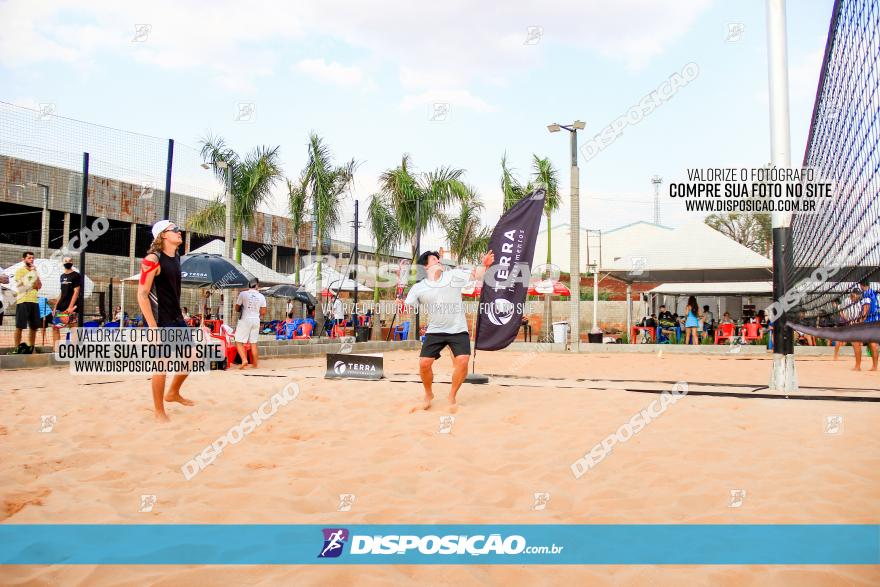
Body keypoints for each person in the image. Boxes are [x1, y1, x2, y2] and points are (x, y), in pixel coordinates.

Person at [404, 247, 493, 413]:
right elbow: (410, 306)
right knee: (424, 364)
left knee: (463, 361)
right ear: (426, 267)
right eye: (433, 260)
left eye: (438, 259)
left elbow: (477, 275)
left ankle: (452, 395)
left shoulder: (453, 275)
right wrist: (401, 305)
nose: (438, 261)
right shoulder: (419, 287)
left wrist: (484, 265)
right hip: (435, 330)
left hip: (457, 328)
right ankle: (428, 394)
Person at [137, 220, 193, 423]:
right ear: (163, 235)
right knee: (161, 365)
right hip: (159, 319)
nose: (179, 232)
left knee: (192, 357)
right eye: (175, 230)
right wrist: (152, 327)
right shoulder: (153, 259)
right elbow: (142, 294)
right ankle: (159, 411)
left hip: (176, 316)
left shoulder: (176, 257)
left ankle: (173, 393)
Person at [13, 251, 42, 354]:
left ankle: (31, 348)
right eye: (29, 258)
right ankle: (16, 348)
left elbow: (38, 286)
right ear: (23, 259)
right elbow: (21, 286)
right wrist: (30, 279)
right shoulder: (20, 271)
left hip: (34, 301)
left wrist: (35, 273)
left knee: (34, 327)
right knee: (20, 326)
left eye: (32, 258)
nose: (31, 260)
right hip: (23, 301)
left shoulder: (35, 271)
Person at [234, 278, 267, 369]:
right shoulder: (261, 296)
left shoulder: (243, 294)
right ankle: (255, 365)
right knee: (253, 343)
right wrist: (258, 315)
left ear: (249, 285)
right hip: (256, 320)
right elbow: (263, 311)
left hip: (245, 319)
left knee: (238, 341)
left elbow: (237, 308)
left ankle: (244, 360)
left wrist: (241, 308)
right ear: (257, 285)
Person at [52, 256, 81, 345]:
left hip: (71, 308)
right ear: (63, 263)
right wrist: (55, 307)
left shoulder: (76, 275)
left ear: (72, 263)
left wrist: (70, 307)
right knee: (55, 327)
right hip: (61, 307)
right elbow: (62, 292)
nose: (68, 262)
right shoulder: (62, 276)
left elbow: (76, 291)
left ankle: (75, 350)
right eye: (66, 261)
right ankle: (56, 349)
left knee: (73, 328)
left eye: (70, 261)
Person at [857, 279, 879, 371]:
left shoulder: (866, 293)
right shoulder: (874, 292)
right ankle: (874, 366)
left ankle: (873, 366)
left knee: (872, 344)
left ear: (862, 285)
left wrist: (862, 320)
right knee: (873, 344)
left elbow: (866, 308)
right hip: (877, 319)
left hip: (870, 321)